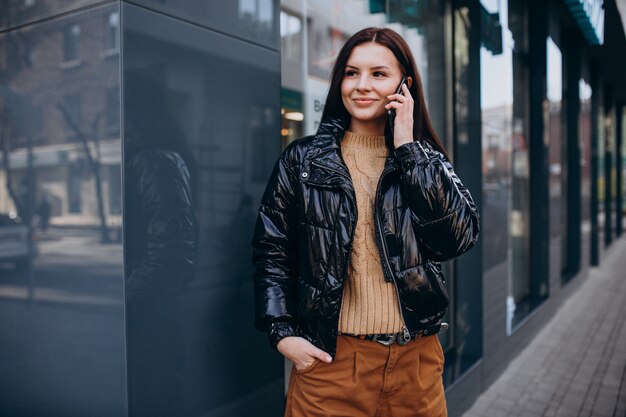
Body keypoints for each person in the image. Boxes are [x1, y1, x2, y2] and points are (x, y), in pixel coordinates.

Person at [251, 27, 480, 417]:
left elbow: (455, 240)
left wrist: (408, 150)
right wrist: (282, 334)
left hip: (416, 365)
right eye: (351, 72)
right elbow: (272, 251)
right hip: (332, 364)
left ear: (403, 85)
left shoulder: (426, 162)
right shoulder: (302, 161)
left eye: (378, 74)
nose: (362, 86)